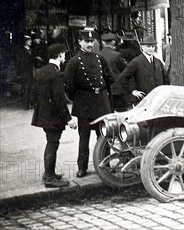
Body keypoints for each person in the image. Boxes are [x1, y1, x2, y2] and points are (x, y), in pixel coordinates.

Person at [64, 28, 114, 178]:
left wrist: (104, 94)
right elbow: (68, 86)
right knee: (84, 138)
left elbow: (110, 78)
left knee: (104, 136)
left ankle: (106, 164)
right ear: (80, 42)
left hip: (101, 104)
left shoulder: (100, 59)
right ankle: (82, 167)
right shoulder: (73, 62)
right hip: (85, 105)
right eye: (86, 41)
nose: (89, 44)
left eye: (92, 41)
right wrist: (80, 97)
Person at [31, 43, 77, 188]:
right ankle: (50, 177)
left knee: (51, 142)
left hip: (43, 114)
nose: (64, 56)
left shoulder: (41, 71)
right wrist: (68, 119)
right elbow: (59, 99)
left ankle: (48, 173)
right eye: (64, 54)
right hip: (53, 116)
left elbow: (34, 96)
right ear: (60, 54)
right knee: (53, 144)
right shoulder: (56, 74)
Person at [118, 35, 169, 105]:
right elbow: (122, 78)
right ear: (142, 47)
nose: (151, 49)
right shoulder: (136, 62)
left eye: (153, 46)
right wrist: (132, 91)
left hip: (158, 99)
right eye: (148, 46)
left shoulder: (158, 62)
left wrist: (164, 92)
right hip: (144, 99)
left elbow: (166, 78)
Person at [99, 32, 128, 112]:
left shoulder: (98, 54)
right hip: (117, 88)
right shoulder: (117, 55)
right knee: (121, 110)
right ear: (113, 42)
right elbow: (125, 69)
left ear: (103, 42)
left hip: (104, 88)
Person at [15, 34, 35, 109]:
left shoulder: (30, 50)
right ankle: (26, 104)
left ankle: (30, 103)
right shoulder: (21, 51)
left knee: (31, 87)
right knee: (26, 87)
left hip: (31, 70)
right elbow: (20, 62)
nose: (30, 41)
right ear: (25, 41)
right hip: (25, 71)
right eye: (28, 40)